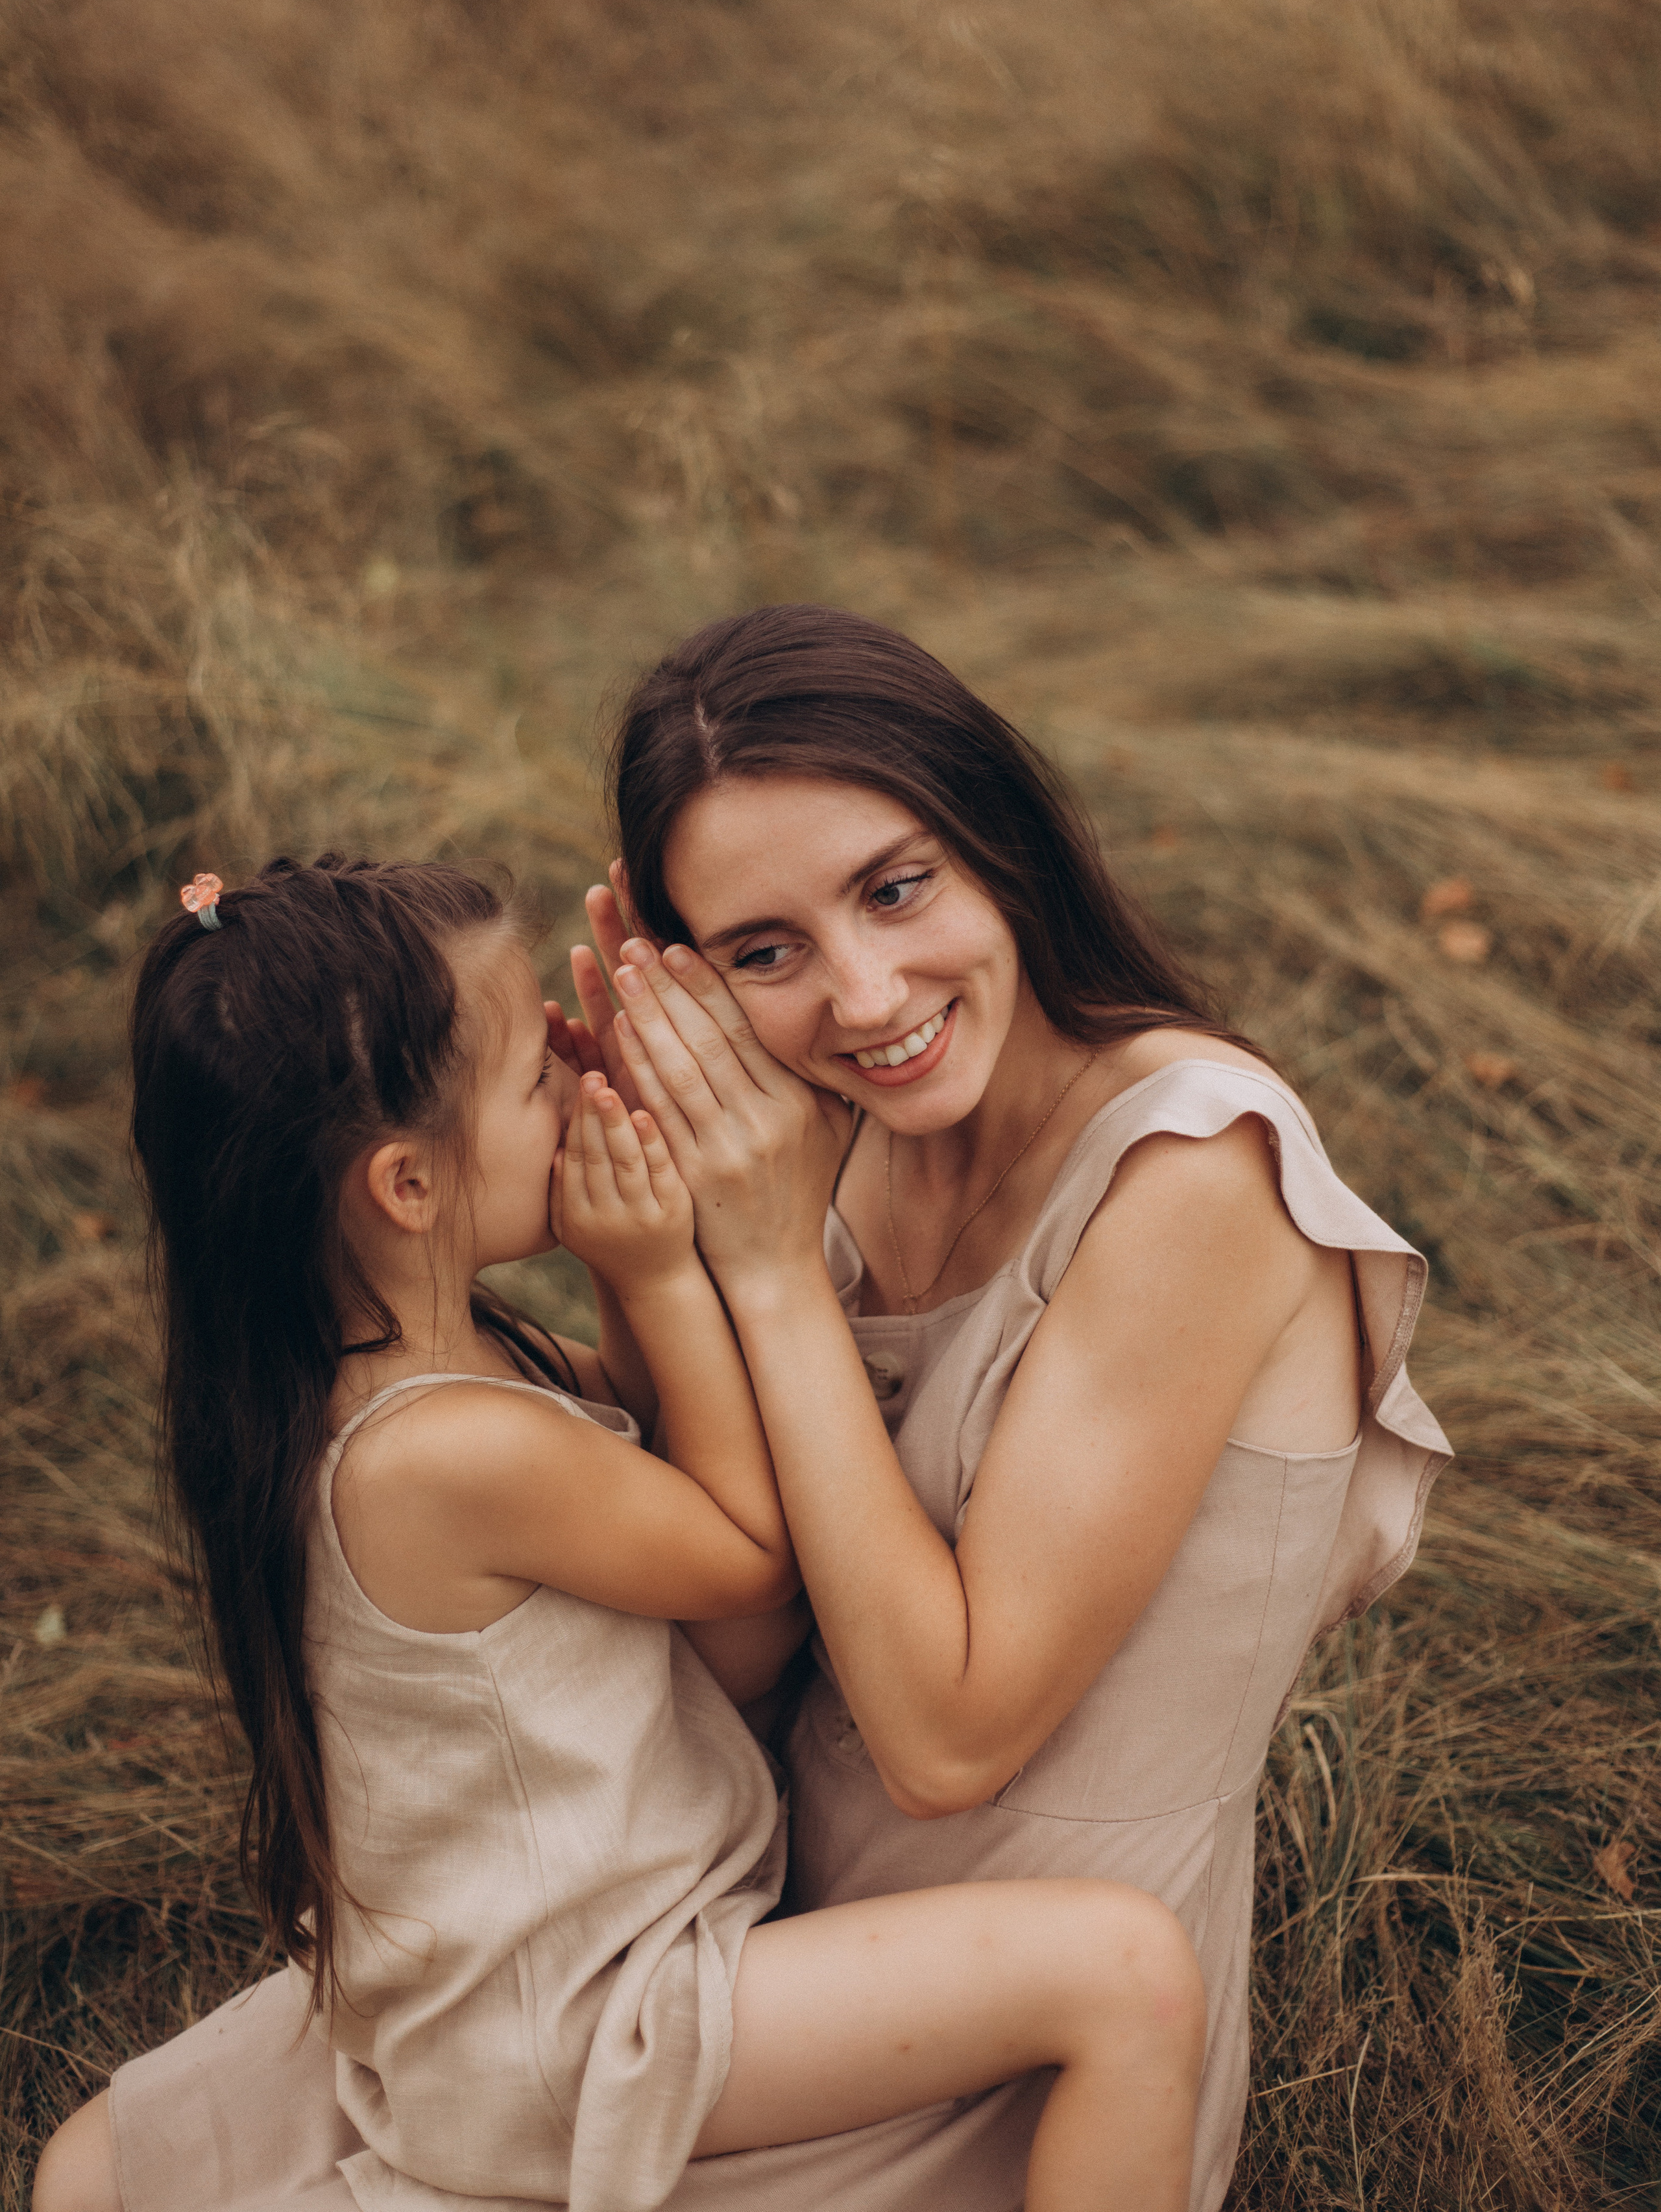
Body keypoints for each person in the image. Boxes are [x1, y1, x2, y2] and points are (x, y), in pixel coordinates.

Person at [38, 609, 1450, 2212]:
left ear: (1000, 841)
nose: (862, 996)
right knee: (103, 2164)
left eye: (895, 885)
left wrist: (765, 1271)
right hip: (708, 1894)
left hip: (1003, 1994)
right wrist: (673, 1240)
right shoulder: (841, 1118)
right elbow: (737, 1625)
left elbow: (942, 1735)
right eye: (763, 951)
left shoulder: (1194, 1177)